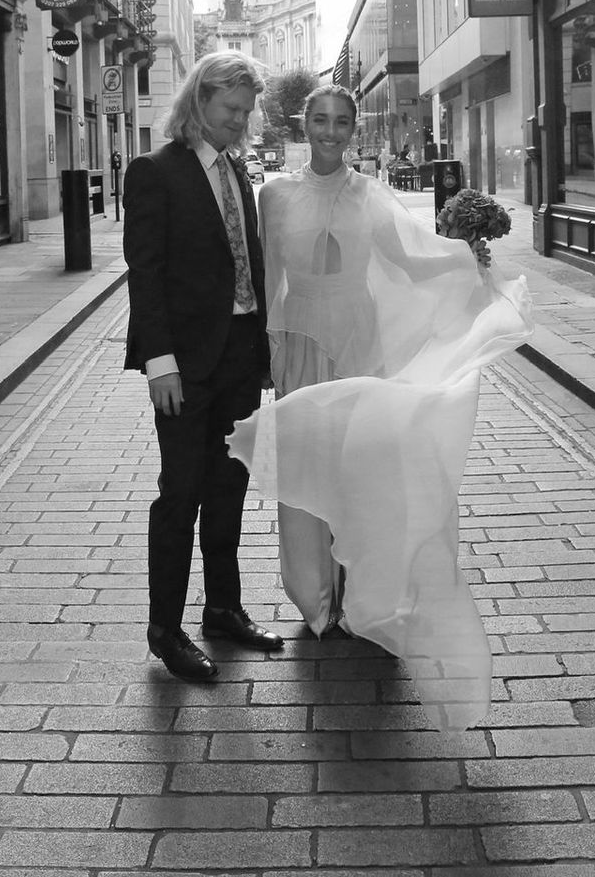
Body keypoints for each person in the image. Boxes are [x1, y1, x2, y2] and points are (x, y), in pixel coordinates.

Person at [227, 84, 532, 728]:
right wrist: (261, 353)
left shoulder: (372, 195)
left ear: (351, 128)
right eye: (320, 120)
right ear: (304, 124)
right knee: (306, 471)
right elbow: (264, 276)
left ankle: (363, 594)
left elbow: (410, 263)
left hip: (359, 342)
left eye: (341, 121)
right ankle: (314, 597)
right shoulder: (274, 196)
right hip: (297, 341)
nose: (330, 131)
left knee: (362, 472)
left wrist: (467, 262)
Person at [123, 50, 284, 683]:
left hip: (240, 356)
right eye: (230, 109)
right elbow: (146, 273)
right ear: (199, 100)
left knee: (228, 488)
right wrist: (159, 362)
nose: (240, 122)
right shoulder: (155, 171)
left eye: (246, 112)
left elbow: (250, 263)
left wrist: (263, 353)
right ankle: (165, 629)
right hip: (185, 366)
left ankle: (222, 609)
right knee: (181, 494)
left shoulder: (237, 171)